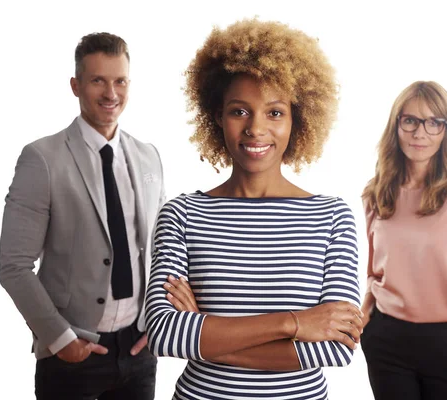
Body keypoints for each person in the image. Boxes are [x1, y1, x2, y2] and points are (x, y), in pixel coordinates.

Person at [144, 18, 362, 400]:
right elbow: (163, 333)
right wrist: (295, 323)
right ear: (217, 117)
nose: (256, 129)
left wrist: (204, 331)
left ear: (297, 120)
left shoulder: (331, 217)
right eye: (239, 111)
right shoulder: (182, 214)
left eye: (275, 112)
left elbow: (334, 348)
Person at [0, 32, 165, 399]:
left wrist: (158, 323)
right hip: (73, 354)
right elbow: (14, 265)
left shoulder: (148, 156)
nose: (111, 93)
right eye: (98, 81)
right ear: (76, 85)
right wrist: (59, 338)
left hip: (140, 350)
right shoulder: (42, 159)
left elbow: (160, 250)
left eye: (120, 81)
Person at [359, 81, 447, 400]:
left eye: (433, 122)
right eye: (409, 120)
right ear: (396, 125)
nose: (419, 133)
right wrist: (364, 316)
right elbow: (373, 273)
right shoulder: (377, 193)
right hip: (388, 342)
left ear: (446, 130)